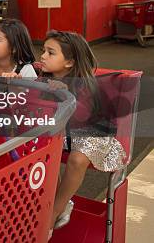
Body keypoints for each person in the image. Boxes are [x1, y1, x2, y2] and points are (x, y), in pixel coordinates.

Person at [39, 31, 126, 237]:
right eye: (43, 50)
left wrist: (66, 93)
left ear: (69, 62)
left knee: (77, 160)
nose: (42, 56)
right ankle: (58, 200)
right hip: (64, 135)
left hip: (93, 134)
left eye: (50, 53)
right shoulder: (43, 80)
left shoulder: (86, 84)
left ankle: (54, 212)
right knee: (40, 151)